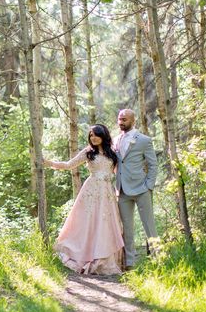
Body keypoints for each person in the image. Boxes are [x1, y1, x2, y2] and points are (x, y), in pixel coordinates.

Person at [44, 124, 124, 275]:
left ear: (103, 136)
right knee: (88, 223)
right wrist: (50, 163)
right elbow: (69, 165)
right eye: (91, 135)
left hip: (107, 193)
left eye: (96, 135)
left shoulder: (113, 153)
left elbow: (120, 173)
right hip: (91, 191)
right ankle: (84, 254)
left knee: (105, 224)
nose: (93, 138)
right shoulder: (88, 152)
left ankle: (104, 259)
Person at [112, 109, 158, 270]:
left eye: (124, 119)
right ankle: (130, 263)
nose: (121, 122)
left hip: (141, 189)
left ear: (133, 120)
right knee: (127, 228)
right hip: (122, 190)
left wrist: (149, 185)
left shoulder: (144, 140)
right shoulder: (115, 140)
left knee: (149, 226)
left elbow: (153, 164)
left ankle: (158, 260)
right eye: (119, 119)